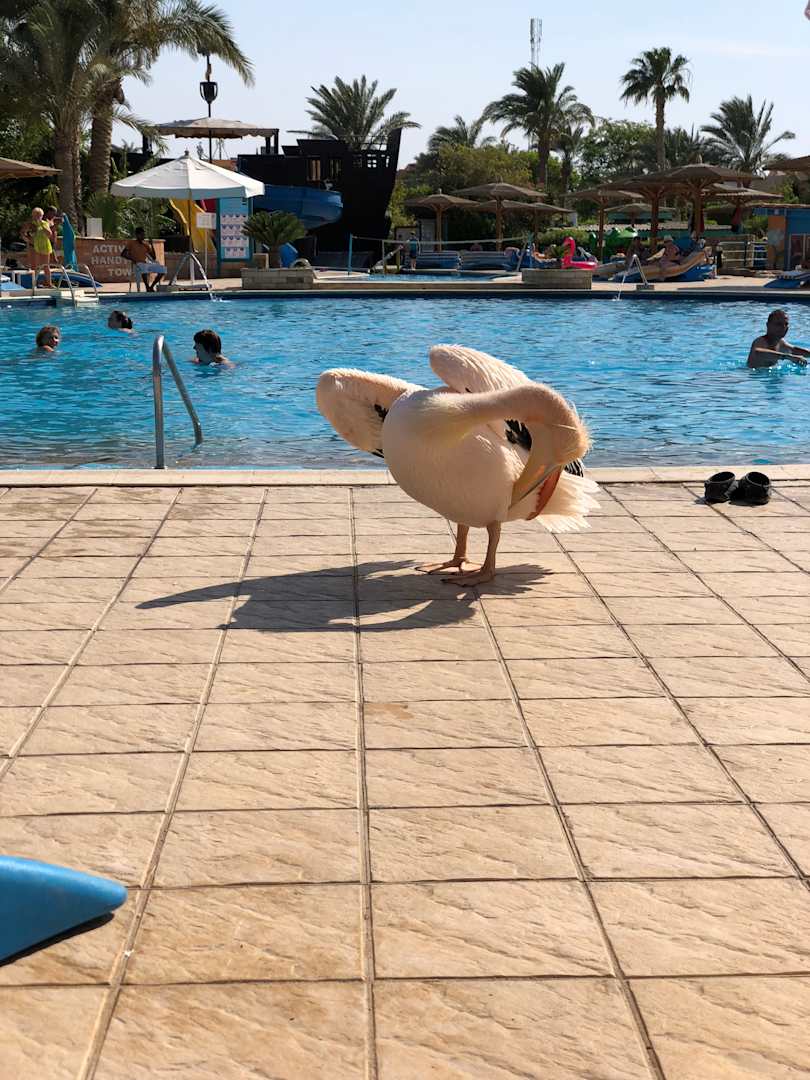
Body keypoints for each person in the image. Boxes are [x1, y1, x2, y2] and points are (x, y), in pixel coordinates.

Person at [121, 227, 166, 291]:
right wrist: (132, 259)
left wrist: (151, 245)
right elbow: (123, 254)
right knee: (144, 268)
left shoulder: (145, 244)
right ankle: (147, 287)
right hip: (137, 265)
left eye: (143, 235)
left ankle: (151, 287)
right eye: (141, 235)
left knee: (162, 270)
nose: (143, 236)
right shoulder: (131, 243)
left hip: (145, 264)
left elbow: (154, 257)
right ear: (137, 235)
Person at [23, 207, 54, 288]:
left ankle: (49, 283)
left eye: (39, 215)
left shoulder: (45, 223)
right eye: (35, 215)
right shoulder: (31, 224)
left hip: (45, 246)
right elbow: (23, 232)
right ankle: (34, 284)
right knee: (35, 266)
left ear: (42, 216)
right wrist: (27, 238)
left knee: (46, 266)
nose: (37, 217)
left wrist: (42, 226)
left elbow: (49, 234)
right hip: (35, 246)